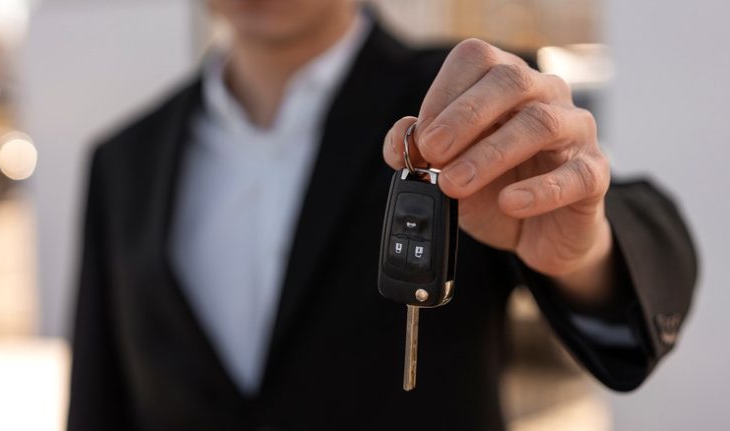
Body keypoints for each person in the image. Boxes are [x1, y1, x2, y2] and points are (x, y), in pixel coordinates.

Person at [67, 1, 697, 430]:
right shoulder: (123, 159)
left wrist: (585, 255)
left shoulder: (468, 99)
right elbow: (100, 397)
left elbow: (640, 225)